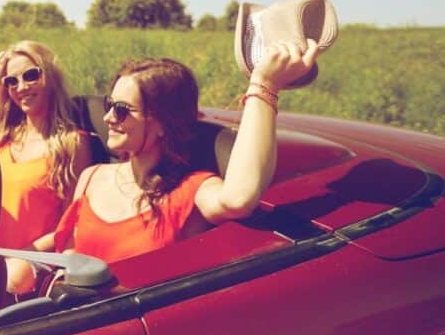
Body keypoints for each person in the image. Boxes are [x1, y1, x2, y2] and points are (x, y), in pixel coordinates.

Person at [49, 43, 320, 265]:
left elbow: (238, 200)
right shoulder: (91, 177)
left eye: (122, 109)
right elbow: (71, 253)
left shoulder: (191, 190)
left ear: (163, 124)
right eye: (109, 104)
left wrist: (264, 86)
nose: (108, 117)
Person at [0, 41, 91, 294]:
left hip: (35, 256)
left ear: (49, 75)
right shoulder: (6, 127)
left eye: (30, 75)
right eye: (11, 81)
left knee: (9, 279)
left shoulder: (72, 143)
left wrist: (23, 255)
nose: (21, 87)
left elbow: (70, 222)